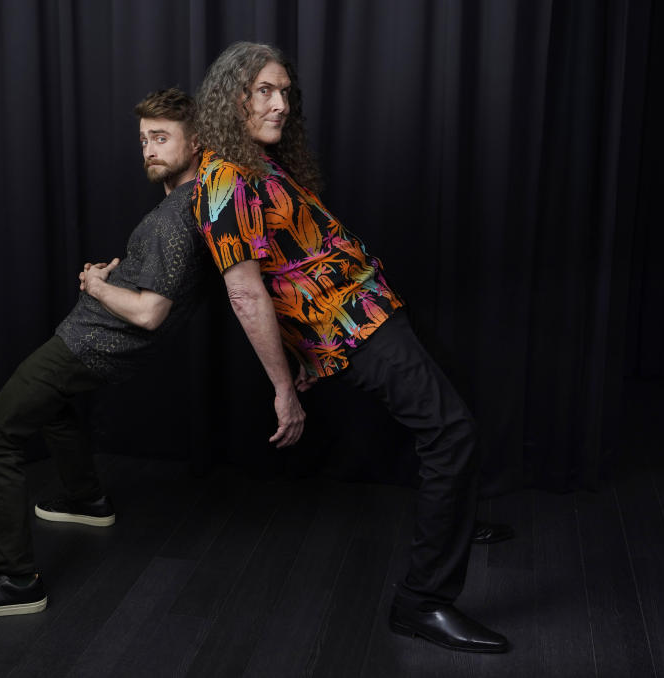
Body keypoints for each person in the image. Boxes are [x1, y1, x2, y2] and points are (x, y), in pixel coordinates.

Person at [192, 42, 511, 653]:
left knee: (445, 424)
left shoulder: (258, 160)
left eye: (286, 92)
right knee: (451, 433)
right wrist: (285, 383)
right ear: (230, 98)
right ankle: (423, 602)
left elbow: (290, 262)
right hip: (353, 329)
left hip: (370, 310)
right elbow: (246, 294)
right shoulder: (226, 180)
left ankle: (455, 524)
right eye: (265, 91)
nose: (281, 104)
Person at [0, 88, 207, 620]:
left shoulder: (175, 216)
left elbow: (152, 312)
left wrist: (95, 284)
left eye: (161, 138)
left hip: (91, 342)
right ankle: (86, 499)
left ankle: (16, 580)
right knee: (53, 406)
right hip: (98, 340)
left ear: (196, 141)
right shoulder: (195, 201)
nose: (149, 150)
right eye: (144, 140)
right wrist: (113, 278)